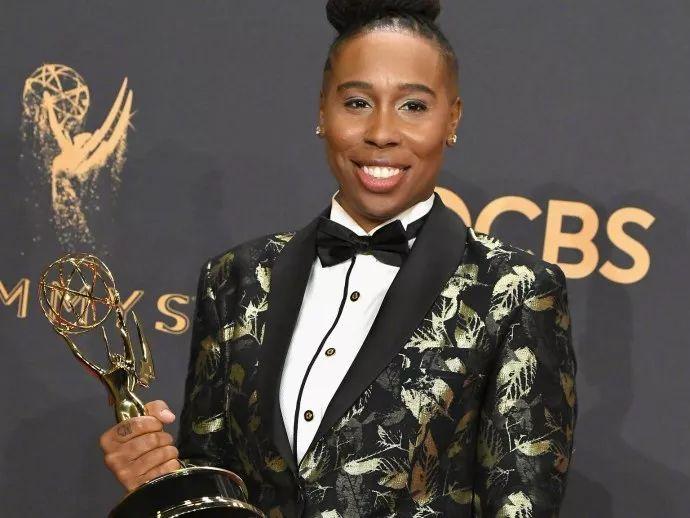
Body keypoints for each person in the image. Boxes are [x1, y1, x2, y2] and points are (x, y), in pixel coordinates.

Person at [99, 1, 578, 516]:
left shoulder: (514, 290)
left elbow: (521, 504)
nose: (381, 131)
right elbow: (217, 494)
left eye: (413, 106)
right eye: (357, 102)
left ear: (452, 118)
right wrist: (158, 477)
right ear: (322, 111)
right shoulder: (235, 280)